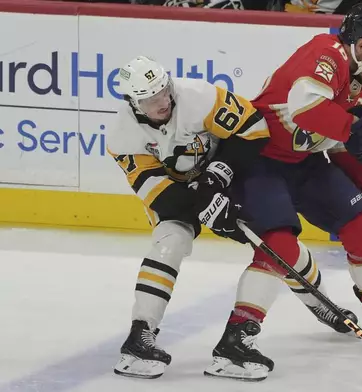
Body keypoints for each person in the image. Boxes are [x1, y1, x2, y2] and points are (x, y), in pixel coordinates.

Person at [204, 3, 362, 382]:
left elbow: (344, 147)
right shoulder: (325, 52)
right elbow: (305, 107)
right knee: (279, 247)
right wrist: (349, 129)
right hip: (259, 160)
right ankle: (235, 340)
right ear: (359, 42)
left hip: (305, 162)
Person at [107, 55, 270, 379]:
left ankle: (316, 303)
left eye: (164, 90)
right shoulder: (122, 138)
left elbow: (255, 129)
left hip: (229, 174)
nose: (163, 101)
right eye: (152, 98)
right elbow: (164, 199)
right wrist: (208, 210)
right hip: (182, 193)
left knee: (274, 233)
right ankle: (140, 334)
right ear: (134, 102)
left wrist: (217, 177)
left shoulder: (199, 96)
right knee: (171, 240)